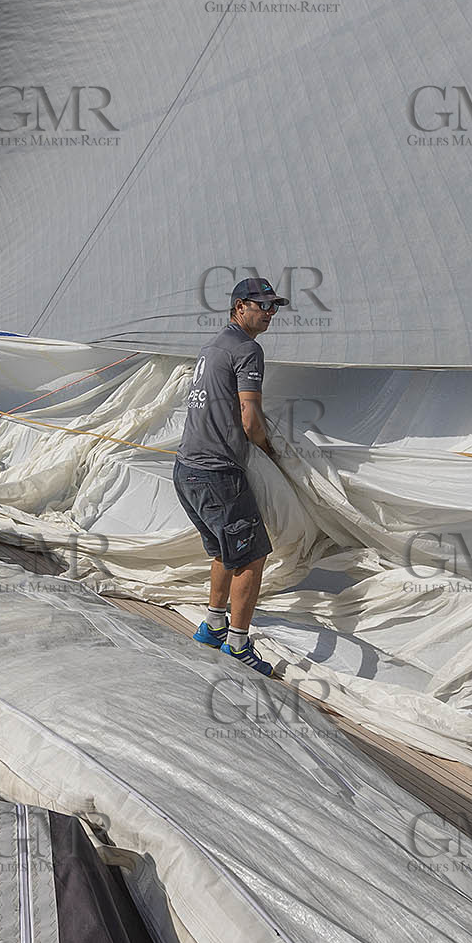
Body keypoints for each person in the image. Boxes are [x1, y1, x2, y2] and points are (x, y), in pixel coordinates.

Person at [173, 275, 288, 675]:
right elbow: (249, 416)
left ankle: (214, 625)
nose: (271, 313)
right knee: (252, 556)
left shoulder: (213, 346)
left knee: (225, 551)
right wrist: (270, 450)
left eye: (275, 306)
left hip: (186, 469)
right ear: (240, 307)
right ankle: (238, 644)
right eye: (263, 305)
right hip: (217, 473)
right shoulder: (247, 349)